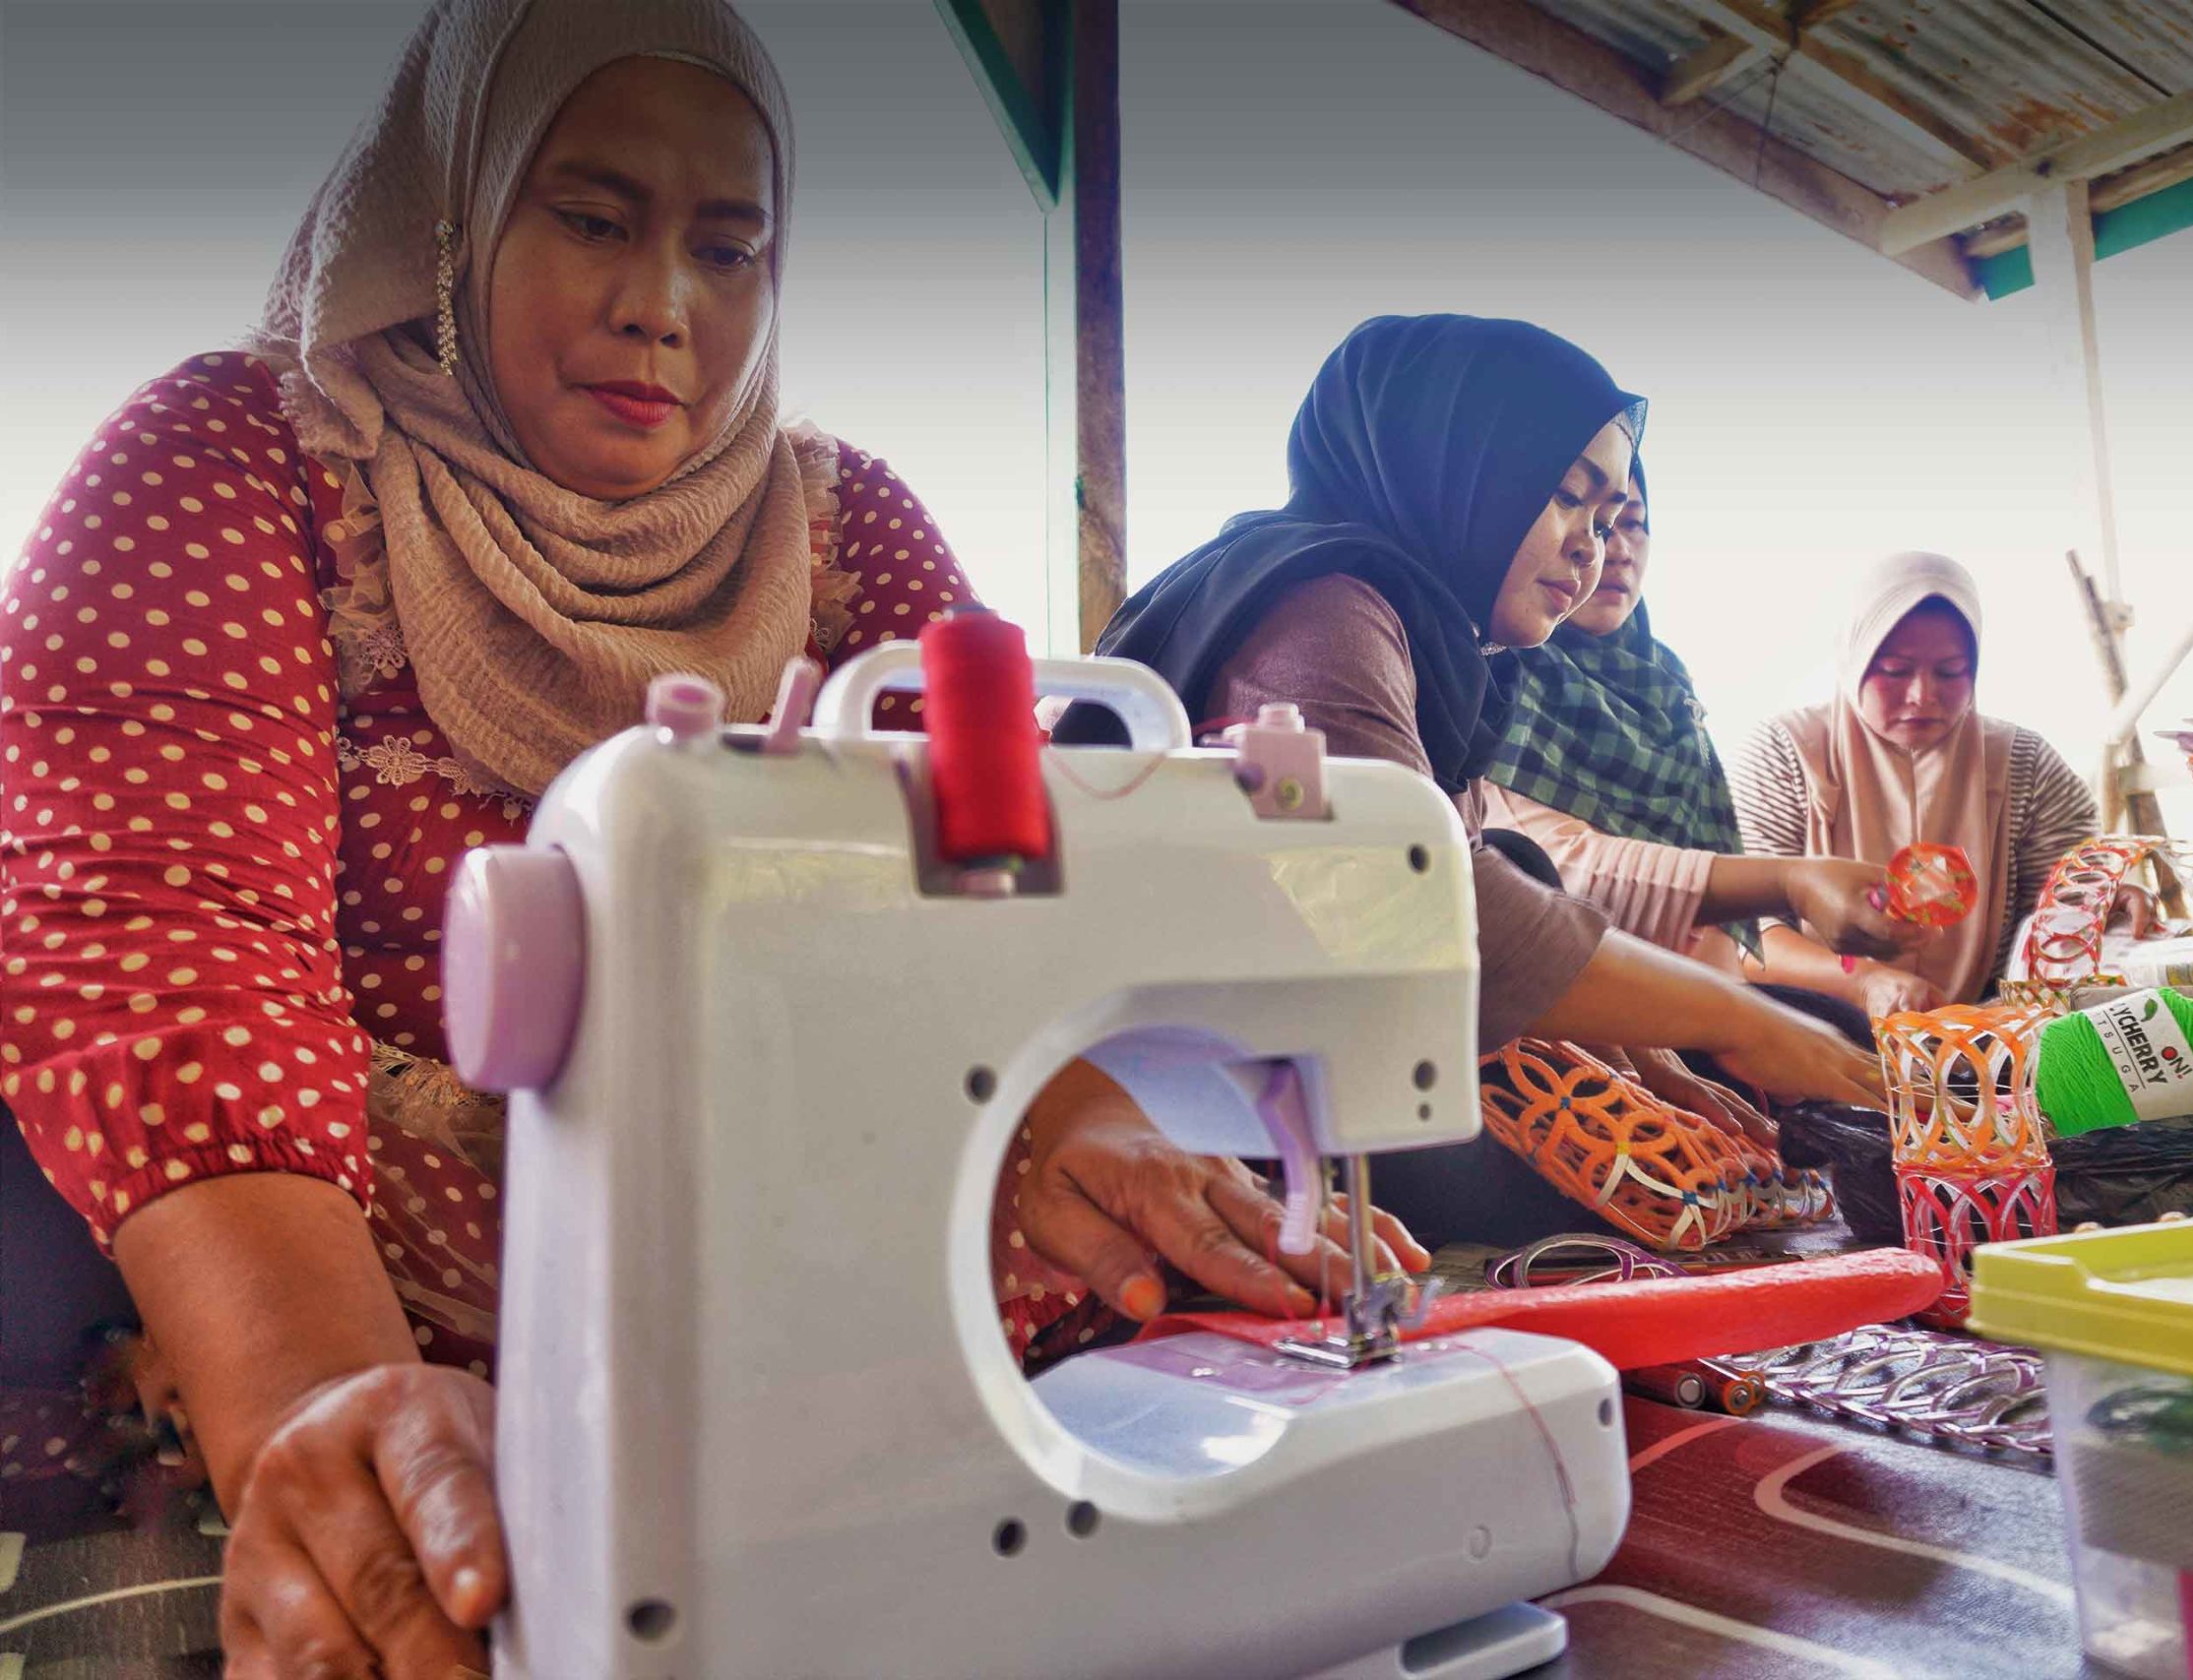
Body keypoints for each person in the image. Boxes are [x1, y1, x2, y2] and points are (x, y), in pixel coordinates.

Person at [0, 3, 1410, 1671]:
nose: (661, 309)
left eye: (730, 250)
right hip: (351, 1246)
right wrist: (323, 1397)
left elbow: (1011, 892)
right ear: (449, 214)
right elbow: (174, 958)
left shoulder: (842, 524)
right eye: (591, 220)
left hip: (790, 1205)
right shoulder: (230, 460)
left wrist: (1068, 1117)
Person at [1083, 314, 1887, 1114]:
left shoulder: (1439, 646)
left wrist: (1634, 1052)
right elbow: (1407, 903)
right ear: (1452, 464)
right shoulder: (1320, 616)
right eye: (1569, 496)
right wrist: (1739, 1021)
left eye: (1608, 522)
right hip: (1185, 1082)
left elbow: (1470, 873)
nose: (1592, 548)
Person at [1480, 463, 1923, 1001]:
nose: (1609, 549)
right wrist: (1793, 884)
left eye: (1630, 523)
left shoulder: (1668, 686)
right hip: (1583, 1004)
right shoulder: (1498, 673)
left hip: (1699, 995)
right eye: (1579, 510)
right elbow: (1558, 871)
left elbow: (1720, 934)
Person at [1732, 551, 2099, 1014]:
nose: (1922, 695)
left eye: (1949, 671)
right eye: (1894, 670)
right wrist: (1864, 983)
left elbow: (2063, 917)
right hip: (1818, 1030)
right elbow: (1745, 937)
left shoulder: (2024, 763)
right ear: (1854, 658)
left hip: (1989, 1029)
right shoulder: (1785, 753)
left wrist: (2107, 893)